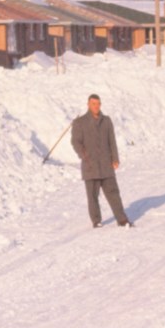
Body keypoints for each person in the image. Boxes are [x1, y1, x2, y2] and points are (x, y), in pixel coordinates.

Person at [70, 93, 132, 228]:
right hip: (90, 165)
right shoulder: (79, 122)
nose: (96, 106)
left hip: (106, 165)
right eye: (93, 104)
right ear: (88, 104)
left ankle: (122, 219)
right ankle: (96, 220)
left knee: (114, 194)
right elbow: (75, 142)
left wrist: (115, 158)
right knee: (92, 196)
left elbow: (112, 141)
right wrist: (84, 156)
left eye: (98, 104)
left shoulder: (107, 121)